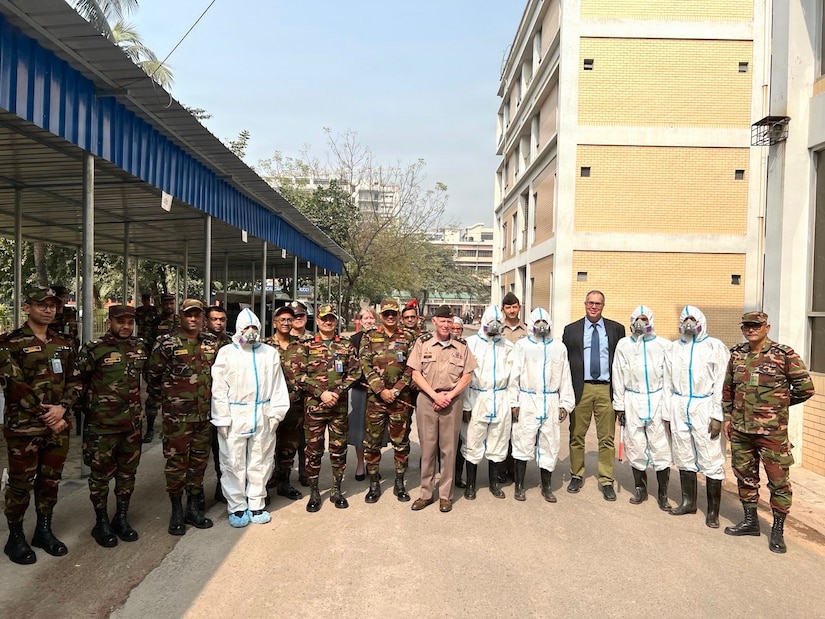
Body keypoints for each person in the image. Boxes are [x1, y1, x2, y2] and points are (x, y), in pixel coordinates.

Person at [1, 287, 82, 565]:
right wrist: (47, 415)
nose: (48, 310)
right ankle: (15, 538)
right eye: (42, 305)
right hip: (24, 427)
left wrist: (63, 409)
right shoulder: (10, 343)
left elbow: (76, 379)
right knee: (21, 484)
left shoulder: (64, 342)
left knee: (50, 481)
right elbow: (15, 385)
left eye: (52, 305)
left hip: (58, 426)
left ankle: (43, 530)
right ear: (27, 307)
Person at [723, 311, 815, 553]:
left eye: (756, 325)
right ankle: (750, 521)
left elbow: (805, 388)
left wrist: (778, 404)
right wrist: (727, 417)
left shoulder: (784, 355)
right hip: (742, 430)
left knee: (778, 481)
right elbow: (728, 390)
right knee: (745, 476)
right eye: (747, 326)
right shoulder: (737, 354)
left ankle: (777, 529)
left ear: (767, 327)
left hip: (772, 432)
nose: (751, 329)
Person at [211, 309, 290, 527]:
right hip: (235, 415)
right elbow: (218, 389)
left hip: (262, 413)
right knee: (232, 462)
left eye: (254, 327)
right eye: (246, 328)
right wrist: (222, 418)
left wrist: (276, 412)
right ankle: (236, 507)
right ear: (238, 329)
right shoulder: (227, 353)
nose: (251, 332)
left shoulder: (269, 353)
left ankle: (256, 503)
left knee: (261, 460)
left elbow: (277, 385)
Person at [145, 299, 218, 535]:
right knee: (176, 465)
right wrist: (168, 400)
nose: (193, 319)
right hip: (177, 418)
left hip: (204, 416)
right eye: (189, 315)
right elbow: (152, 376)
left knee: (198, 464)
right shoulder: (166, 344)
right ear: (181, 317)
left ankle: (192, 508)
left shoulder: (210, 343)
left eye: (198, 315)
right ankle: (176, 510)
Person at [76, 305, 147, 547]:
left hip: (132, 425)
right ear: (109, 323)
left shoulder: (138, 347)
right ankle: (101, 522)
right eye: (120, 322)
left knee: (127, 475)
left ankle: (121, 517)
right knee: (99, 477)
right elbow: (77, 384)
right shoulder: (94, 349)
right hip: (102, 428)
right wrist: (91, 411)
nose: (125, 326)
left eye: (130, 322)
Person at [407, 305, 477, 513]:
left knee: (448, 449)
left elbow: (467, 375)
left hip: (452, 401)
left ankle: (445, 495)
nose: (446, 325)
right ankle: (426, 493)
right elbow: (415, 374)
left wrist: (449, 396)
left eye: (449, 322)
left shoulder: (461, 346)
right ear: (434, 321)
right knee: (428, 449)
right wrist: (435, 395)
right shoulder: (422, 343)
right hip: (427, 399)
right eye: (442, 321)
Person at [663, 305, 729, 527]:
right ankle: (688, 502)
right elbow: (667, 383)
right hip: (679, 404)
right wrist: (667, 413)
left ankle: (712, 512)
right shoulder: (673, 349)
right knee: (683, 454)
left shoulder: (714, 346)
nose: (689, 323)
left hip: (704, 404)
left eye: (693, 319)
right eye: (685, 319)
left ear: (700, 321)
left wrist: (717, 415)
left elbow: (721, 382)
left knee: (711, 456)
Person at [562, 290, 626, 500]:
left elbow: (622, 362)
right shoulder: (571, 330)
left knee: (606, 437)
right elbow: (564, 364)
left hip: (606, 389)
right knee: (576, 435)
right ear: (585, 304)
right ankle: (576, 474)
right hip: (582, 388)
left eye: (598, 303)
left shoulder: (616, 329)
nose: (594, 306)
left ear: (603, 306)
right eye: (590, 302)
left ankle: (606, 479)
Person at [295, 304, 358, 513]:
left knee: (338, 450)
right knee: (313, 451)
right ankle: (314, 492)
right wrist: (320, 393)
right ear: (318, 321)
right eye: (324, 319)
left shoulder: (346, 346)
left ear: (336, 321)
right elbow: (299, 375)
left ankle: (336, 489)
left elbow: (355, 372)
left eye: (331, 318)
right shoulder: (306, 345)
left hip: (338, 408)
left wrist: (338, 391)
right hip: (315, 407)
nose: (328, 322)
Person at [508, 308, 575, 502]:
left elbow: (565, 375)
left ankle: (547, 487)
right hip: (527, 400)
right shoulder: (522, 346)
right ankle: (519, 486)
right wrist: (514, 402)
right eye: (537, 322)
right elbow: (514, 375)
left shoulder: (559, 347)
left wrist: (565, 404)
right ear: (530, 324)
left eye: (544, 321)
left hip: (551, 400)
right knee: (523, 441)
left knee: (550, 442)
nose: (541, 325)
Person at [611, 306, 674, 510]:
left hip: (656, 399)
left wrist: (667, 406)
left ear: (651, 321)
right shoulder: (624, 345)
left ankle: (663, 493)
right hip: (632, 398)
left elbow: (669, 378)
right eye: (636, 319)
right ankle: (640, 488)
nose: (640, 322)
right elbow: (618, 375)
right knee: (635, 444)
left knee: (660, 445)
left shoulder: (663, 345)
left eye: (644, 318)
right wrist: (619, 405)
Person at [359, 299, 417, 503]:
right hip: (376, 399)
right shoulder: (370, 336)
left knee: (401, 443)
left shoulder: (408, 337)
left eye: (394, 313)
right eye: (386, 314)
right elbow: (364, 364)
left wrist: (397, 389)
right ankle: (374, 483)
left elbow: (413, 366)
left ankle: (399, 482)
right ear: (381, 316)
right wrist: (381, 389)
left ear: (398, 315)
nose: (390, 317)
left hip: (400, 399)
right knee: (372, 443)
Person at [462, 305, 515, 500]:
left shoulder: (508, 347)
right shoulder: (470, 343)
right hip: (477, 397)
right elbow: (465, 377)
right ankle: (471, 484)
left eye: (498, 322)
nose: (494, 325)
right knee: (472, 440)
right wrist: (466, 405)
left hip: (500, 397)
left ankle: (494, 483)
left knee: (498, 441)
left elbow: (514, 379)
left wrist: (512, 402)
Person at [265, 305, 306, 500]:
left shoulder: (301, 346)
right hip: (270, 406)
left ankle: (284, 481)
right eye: (282, 319)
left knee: (289, 445)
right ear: (274, 322)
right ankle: (268, 479)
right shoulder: (264, 347)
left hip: (294, 407)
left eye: (290, 320)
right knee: (268, 444)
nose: (286, 323)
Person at [204, 305, 232, 504]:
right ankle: (195, 497)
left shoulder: (231, 343)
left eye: (221, 319)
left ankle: (222, 488)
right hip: (200, 404)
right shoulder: (199, 342)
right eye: (214, 319)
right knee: (199, 453)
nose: (218, 323)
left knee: (221, 448)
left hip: (222, 405)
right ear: (207, 320)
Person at [144, 293, 180, 444]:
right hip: (158, 364)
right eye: (166, 304)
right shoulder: (155, 322)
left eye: (171, 303)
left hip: (177, 364)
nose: (169, 306)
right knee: (153, 398)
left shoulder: (180, 321)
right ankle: (150, 428)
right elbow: (147, 342)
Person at [499, 292, 527, 482]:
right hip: (501, 384)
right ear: (503, 309)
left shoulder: (528, 330)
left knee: (518, 428)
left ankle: (515, 470)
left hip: (521, 385)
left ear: (519, 307)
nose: (511, 310)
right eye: (508, 307)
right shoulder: (497, 329)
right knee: (502, 429)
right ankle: (501, 469)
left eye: (514, 307)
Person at [348, 307, 377, 481]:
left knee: (375, 430)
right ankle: (360, 463)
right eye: (365, 318)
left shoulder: (381, 338)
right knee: (359, 429)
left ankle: (372, 463)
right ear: (359, 321)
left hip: (377, 391)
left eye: (371, 318)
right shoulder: (354, 340)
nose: (368, 321)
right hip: (360, 388)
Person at [288, 300, 311, 485]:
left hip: (310, 399)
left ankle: (305, 473)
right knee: (284, 441)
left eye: (301, 315)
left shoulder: (314, 340)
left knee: (307, 440)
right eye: (294, 316)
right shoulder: (279, 340)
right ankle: (281, 478)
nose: (298, 319)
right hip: (286, 401)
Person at [451, 317, 468, 488]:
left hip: (462, 398)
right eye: (453, 328)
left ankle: (457, 475)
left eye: (459, 329)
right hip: (441, 398)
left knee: (460, 440)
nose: (456, 332)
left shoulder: (466, 347)